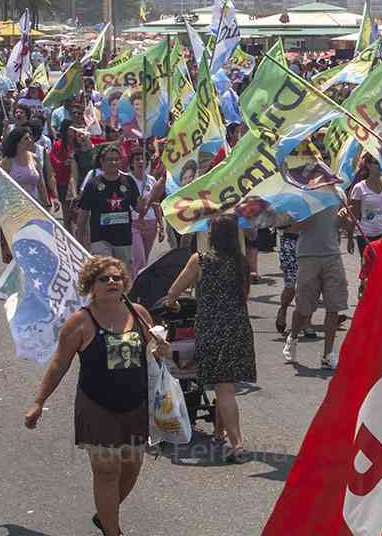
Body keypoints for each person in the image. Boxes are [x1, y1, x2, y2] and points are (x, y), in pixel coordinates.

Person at [25, 256, 166, 536]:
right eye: (104, 279)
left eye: (117, 278)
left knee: (131, 469)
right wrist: (39, 402)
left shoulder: (138, 313)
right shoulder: (80, 322)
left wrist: (162, 349)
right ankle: (113, 531)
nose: (112, 282)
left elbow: (155, 353)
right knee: (106, 472)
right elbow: (58, 365)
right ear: (92, 286)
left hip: (135, 404)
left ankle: (104, 516)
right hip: (96, 406)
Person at [162, 215, 256, 463]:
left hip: (212, 328)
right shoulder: (242, 263)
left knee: (223, 388)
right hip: (238, 327)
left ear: (212, 235)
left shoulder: (200, 261)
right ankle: (219, 431)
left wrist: (171, 303)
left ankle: (237, 445)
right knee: (225, 385)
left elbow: (173, 292)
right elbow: (244, 296)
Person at [284, 201, 349, 370]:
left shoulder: (338, 194)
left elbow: (345, 225)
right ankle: (293, 337)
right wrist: (307, 214)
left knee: (333, 306)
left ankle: (328, 355)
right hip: (308, 256)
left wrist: (343, 219)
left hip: (333, 255)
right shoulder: (304, 197)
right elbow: (292, 227)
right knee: (303, 308)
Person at [77, 144, 142, 266]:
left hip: (123, 239)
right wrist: (79, 239)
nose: (113, 162)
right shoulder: (93, 184)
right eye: (109, 159)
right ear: (101, 161)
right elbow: (83, 214)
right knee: (104, 272)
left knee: (122, 275)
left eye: (116, 159)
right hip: (100, 238)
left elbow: (138, 209)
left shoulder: (128, 181)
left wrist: (144, 202)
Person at [348, 153, 382, 254]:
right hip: (365, 235)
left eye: (381, 161)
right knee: (368, 267)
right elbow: (354, 215)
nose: (380, 165)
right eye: (376, 162)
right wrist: (350, 238)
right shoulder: (359, 187)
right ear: (368, 165)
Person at [126, 151, 164, 280]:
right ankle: (134, 290)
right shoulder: (127, 179)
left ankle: (136, 285)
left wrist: (161, 227)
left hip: (151, 225)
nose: (141, 162)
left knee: (144, 262)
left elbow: (156, 203)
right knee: (139, 260)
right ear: (131, 163)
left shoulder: (151, 180)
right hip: (134, 224)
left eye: (143, 159)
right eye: (137, 159)